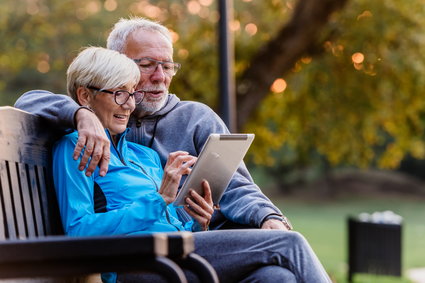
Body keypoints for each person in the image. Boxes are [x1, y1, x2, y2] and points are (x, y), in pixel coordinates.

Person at [54, 46, 331, 283]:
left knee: (274, 277)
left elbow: (168, 222)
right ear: (85, 96)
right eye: (118, 94)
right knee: (288, 243)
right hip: (136, 265)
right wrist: (159, 198)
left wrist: (198, 223)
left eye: (131, 94)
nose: (128, 105)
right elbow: (79, 230)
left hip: (172, 255)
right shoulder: (74, 148)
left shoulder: (143, 155)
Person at [15, 17, 290, 231]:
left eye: (167, 66)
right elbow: (29, 100)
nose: (160, 76)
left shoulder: (194, 119)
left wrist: (267, 217)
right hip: (151, 257)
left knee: (278, 262)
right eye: (147, 64)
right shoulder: (93, 121)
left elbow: (236, 185)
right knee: (284, 253)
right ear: (120, 66)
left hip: (205, 237)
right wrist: (81, 115)